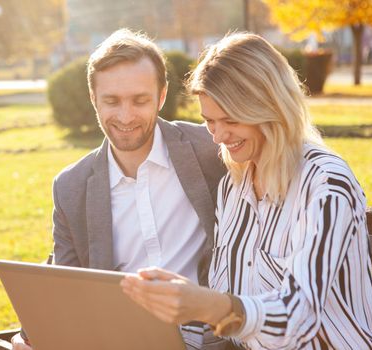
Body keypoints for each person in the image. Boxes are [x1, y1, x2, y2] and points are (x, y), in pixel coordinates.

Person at [121, 32, 372, 349]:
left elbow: (299, 316)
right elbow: (227, 313)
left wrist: (211, 305)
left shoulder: (326, 184)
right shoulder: (235, 187)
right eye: (209, 121)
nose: (218, 136)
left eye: (230, 120)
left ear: (269, 107)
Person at [12, 29, 227, 350]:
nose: (126, 117)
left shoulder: (210, 149)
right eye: (111, 101)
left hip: (207, 335)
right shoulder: (71, 186)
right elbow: (64, 281)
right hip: (118, 339)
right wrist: (35, 334)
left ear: (162, 95)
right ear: (93, 99)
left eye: (140, 100)